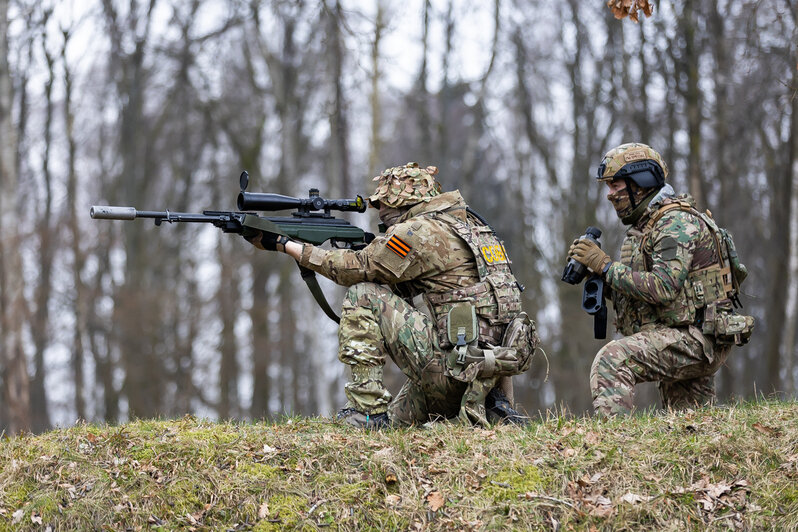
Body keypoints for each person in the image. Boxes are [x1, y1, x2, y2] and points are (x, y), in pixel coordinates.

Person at [245, 162, 538, 428]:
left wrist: (288, 246)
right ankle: (494, 409)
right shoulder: (476, 231)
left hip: (451, 374)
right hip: (482, 377)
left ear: (403, 205)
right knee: (392, 430)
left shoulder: (420, 231)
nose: (382, 220)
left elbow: (357, 269)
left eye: (384, 210)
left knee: (363, 295)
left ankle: (366, 411)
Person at [567, 143, 752, 416]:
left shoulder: (675, 223)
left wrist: (606, 266)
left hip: (694, 338)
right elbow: (643, 290)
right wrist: (601, 278)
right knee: (691, 427)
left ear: (640, 183)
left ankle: (612, 449)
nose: (609, 195)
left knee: (613, 360)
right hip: (682, 333)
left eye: (615, 185)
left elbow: (663, 288)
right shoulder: (645, 228)